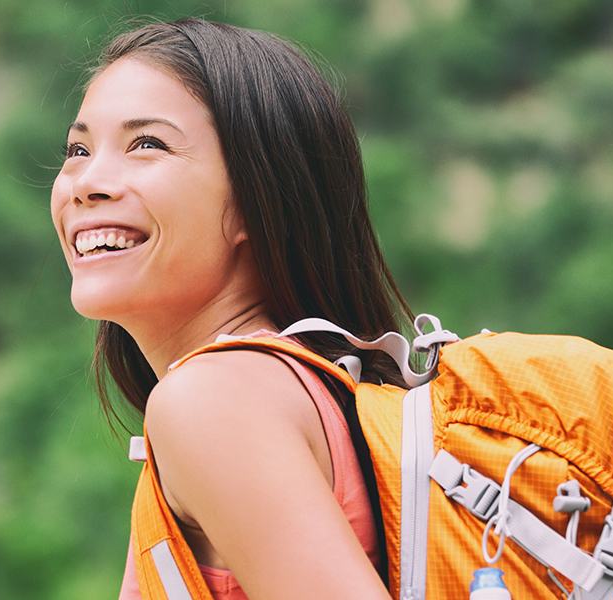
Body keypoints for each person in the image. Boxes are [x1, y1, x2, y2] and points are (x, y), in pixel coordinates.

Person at [50, 18, 408, 600]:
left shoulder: (211, 402)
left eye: (148, 144)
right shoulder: (303, 390)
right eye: (77, 149)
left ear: (257, 198)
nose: (86, 182)